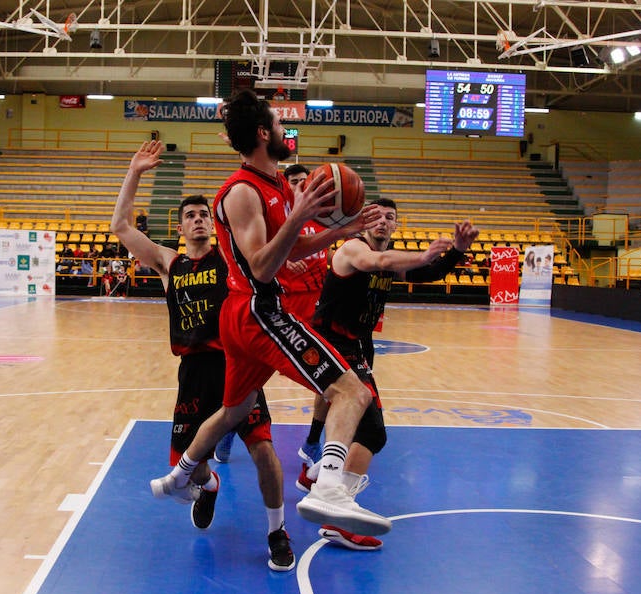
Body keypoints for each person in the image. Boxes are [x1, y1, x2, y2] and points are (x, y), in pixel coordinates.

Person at [150, 89, 392, 538]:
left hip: (242, 316)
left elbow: (294, 247)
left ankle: (182, 475)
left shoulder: (277, 184)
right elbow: (262, 265)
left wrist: (341, 229)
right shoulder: (242, 191)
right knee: (352, 393)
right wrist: (301, 215)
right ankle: (329, 487)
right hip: (256, 310)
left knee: (233, 409)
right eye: (281, 127)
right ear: (264, 133)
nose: (286, 134)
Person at [113, 140, 295, 571]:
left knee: (264, 452)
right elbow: (121, 225)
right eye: (190, 216)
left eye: (202, 215)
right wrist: (135, 170)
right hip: (193, 372)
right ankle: (208, 484)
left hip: (236, 363)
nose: (198, 220)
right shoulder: (168, 264)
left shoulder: (229, 261)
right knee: (188, 470)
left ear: (211, 224)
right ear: (180, 227)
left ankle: (276, 531)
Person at [297, 198, 479, 550]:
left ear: (396, 226)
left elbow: (428, 274)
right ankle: (331, 500)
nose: (382, 221)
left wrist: (456, 251)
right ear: (364, 222)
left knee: (368, 432)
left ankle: (326, 484)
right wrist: (425, 254)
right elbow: (376, 262)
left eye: (390, 217)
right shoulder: (353, 248)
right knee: (372, 431)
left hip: (357, 346)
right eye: (376, 216)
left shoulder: (392, 257)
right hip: (333, 345)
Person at [214, 162, 329, 464]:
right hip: (278, 306)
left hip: (314, 306)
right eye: (294, 181)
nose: (300, 185)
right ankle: (230, 427)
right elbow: (260, 257)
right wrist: (284, 261)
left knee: (331, 380)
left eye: (306, 180)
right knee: (255, 379)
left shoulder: (322, 222)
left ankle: (315, 441)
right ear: (286, 185)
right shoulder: (276, 217)